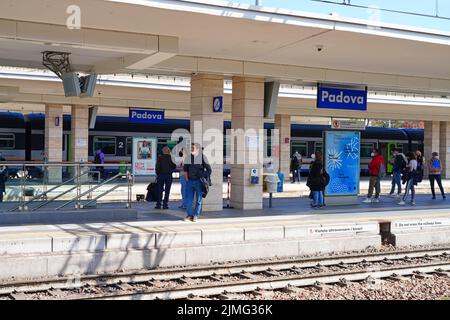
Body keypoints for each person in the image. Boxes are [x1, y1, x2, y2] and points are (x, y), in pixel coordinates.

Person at [183, 143, 212, 222]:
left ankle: (196, 215)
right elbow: (185, 169)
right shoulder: (188, 158)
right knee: (189, 200)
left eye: (193, 148)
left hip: (199, 182)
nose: (191, 149)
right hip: (190, 182)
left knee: (198, 200)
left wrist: (203, 176)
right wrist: (187, 179)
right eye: (191, 148)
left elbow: (209, 170)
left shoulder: (203, 158)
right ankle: (189, 215)